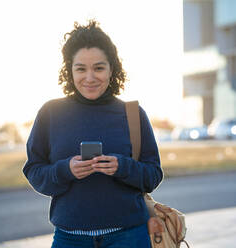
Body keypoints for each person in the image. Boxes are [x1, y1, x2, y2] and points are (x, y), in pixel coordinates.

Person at [23, 20, 163, 248]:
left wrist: (122, 167)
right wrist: (65, 170)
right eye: (81, 68)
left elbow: (153, 175)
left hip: (129, 237)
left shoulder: (133, 114)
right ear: (70, 70)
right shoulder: (51, 112)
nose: (89, 77)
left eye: (98, 68)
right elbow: (34, 172)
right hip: (69, 239)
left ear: (112, 69)